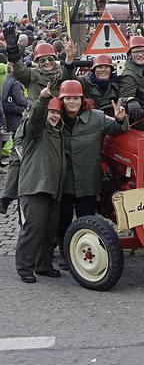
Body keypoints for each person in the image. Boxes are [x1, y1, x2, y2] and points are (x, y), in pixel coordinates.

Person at [56, 80, 128, 270]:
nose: (72, 102)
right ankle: (65, 252)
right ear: (61, 100)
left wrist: (120, 119)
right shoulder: (56, 119)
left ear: (82, 99)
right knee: (62, 219)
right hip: (63, 179)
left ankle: (85, 251)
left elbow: (116, 129)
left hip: (87, 179)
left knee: (86, 218)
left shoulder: (96, 117)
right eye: (67, 98)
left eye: (76, 98)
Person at [0, 26, 62, 214]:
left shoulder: (62, 78)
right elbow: (19, 71)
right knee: (17, 156)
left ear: (55, 59)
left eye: (50, 59)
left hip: (55, 124)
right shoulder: (33, 75)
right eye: (42, 60)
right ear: (36, 62)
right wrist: (12, 50)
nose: (46, 63)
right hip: (31, 124)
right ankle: (7, 197)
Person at [15, 84, 65, 283]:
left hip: (52, 189)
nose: (54, 116)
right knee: (33, 228)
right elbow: (35, 118)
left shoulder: (58, 133)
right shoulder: (37, 131)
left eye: (57, 113)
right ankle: (24, 267)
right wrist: (43, 99)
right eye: (51, 112)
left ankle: (43, 265)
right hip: (34, 188)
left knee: (48, 230)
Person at [63, 39, 119, 109]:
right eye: (100, 67)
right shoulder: (85, 81)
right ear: (94, 70)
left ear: (111, 70)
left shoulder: (117, 83)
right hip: (89, 117)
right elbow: (69, 81)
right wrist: (69, 59)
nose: (103, 70)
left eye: (107, 67)